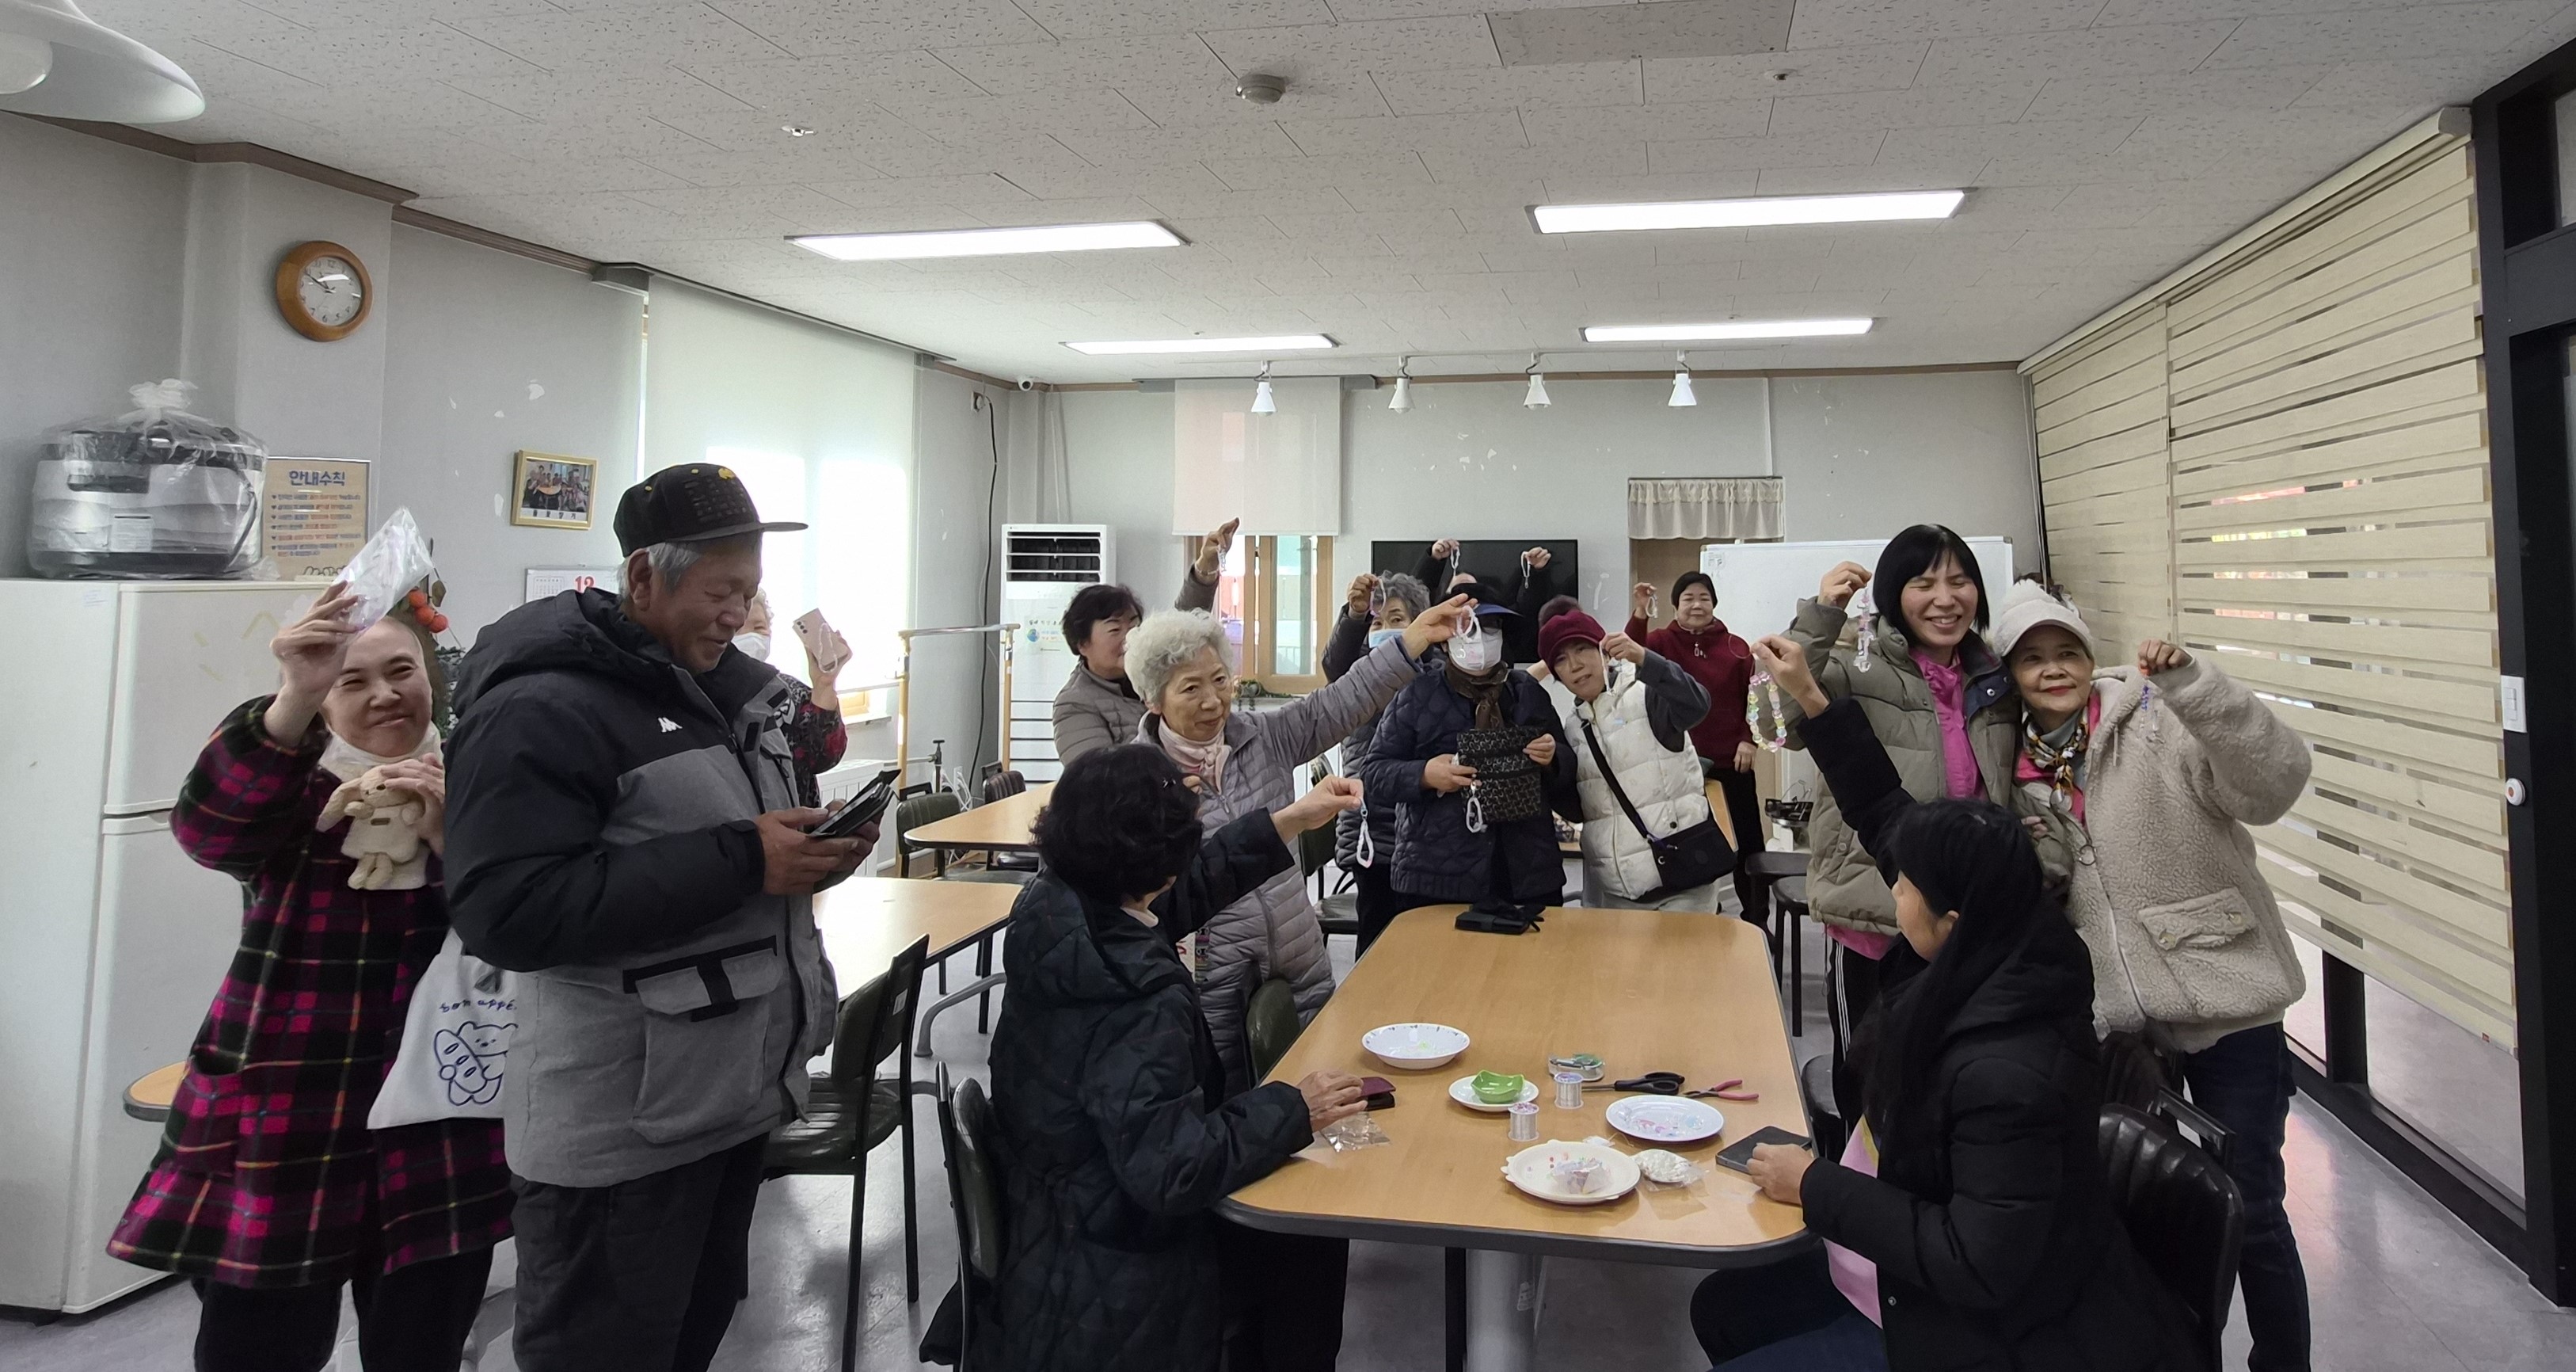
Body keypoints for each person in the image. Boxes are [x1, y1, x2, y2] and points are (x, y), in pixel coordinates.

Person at [441, 464, 874, 1372]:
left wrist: (806, 850)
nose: (738, 614)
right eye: (721, 592)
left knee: (689, 1339)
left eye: (749, 593)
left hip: (725, 1099)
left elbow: (726, 845)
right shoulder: (541, 708)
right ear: (643, 577)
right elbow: (507, 910)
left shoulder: (718, 692)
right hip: (619, 1133)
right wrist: (747, 859)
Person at [1729, 634, 2202, 1372]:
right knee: (1721, 1307)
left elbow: (1977, 1263)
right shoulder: (1992, 934)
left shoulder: (2008, 1069)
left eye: (1901, 886)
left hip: (1973, 1330)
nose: (1892, 890)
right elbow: (1883, 812)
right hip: (1893, 1265)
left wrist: (1817, 1185)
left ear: (1948, 920)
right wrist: (1813, 700)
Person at [109, 589, 511, 1372]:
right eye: (352, 681)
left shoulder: (478, 782)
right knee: (258, 1346)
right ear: (323, 699)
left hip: (438, 1117)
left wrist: (449, 844)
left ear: (432, 679)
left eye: (402, 672)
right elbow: (208, 829)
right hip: (289, 1111)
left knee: (420, 1347)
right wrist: (293, 694)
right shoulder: (296, 789)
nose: (385, 694)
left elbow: (517, 928)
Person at [1989, 579, 2315, 1372]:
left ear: (2088, 657)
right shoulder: (2010, 771)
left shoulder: (2156, 721)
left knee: (2253, 1209)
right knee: (2137, 1209)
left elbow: (2274, 782)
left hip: (2229, 1005)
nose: (2053, 669)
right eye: (2032, 659)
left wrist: (2197, 688)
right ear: (2010, 676)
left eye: (2065, 651)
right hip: (2118, 1025)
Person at [989, 745, 1368, 1372]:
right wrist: (1292, 1108)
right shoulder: (1137, 999)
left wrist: (1290, 820)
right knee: (1309, 1232)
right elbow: (1172, 1172)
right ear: (1159, 869)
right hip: (1118, 1257)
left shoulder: (1059, 911)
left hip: (1053, 1206)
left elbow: (1182, 891)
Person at [1124, 593, 1471, 1085]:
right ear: (1153, 699)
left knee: (1325, 1073)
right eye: (1191, 688)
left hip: (1299, 949)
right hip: (1212, 967)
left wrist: (1411, 641)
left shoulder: (1262, 735)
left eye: (1220, 680)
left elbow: (1341, 701)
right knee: (1229, 1090)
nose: (1212, 701)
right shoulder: (1140, 780)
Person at [1779, 527, 2020, 1112]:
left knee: (1949, 1087)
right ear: (1892, 594)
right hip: (1875, 915)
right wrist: (1821, 616)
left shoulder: (1993, 677)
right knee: (1870, 1086)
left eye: (1959, 582)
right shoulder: (1854, 662)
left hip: (1964, 924)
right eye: (1924, 583)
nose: (1945, 599)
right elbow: (1777, 720)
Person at [1362, 600, 1577, 920]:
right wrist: (1424, 774)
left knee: (1534, 953)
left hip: (1527, 872)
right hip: (1436, 875)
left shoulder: (1526, 691)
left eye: (1491, 628)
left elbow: (1568, 765)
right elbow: (1373, 773)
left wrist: (1552, 757)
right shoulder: (1417, 693)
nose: (1480, 638)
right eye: (1468, 628)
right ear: (1445, 641)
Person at [1539, 607, 1725, 911]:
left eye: (1582, 648)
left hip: (1683, 879)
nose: (1574, 665)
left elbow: (1697, 705)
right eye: (1560, 659)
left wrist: (1646, 660)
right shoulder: (1573, 727)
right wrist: (1551, 766)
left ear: (1604, 651)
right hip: (1619, 889)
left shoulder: (1646, 694)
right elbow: (1581, 809)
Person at [1628, 571, 1764, 912]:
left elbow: (1755, 699)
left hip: (1731, 761)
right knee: (1688, 842)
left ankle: (1757, 915)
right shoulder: (1660, 642)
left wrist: (1749, 739)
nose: (1697, 605)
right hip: (1676, 763)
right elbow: (1628, 658)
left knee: (1748, 841)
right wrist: (1641, 612)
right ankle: (1702, 913)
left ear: (1714, 604)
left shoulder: (1736, 647)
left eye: (1704, 598)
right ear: (1676, 606)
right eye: (1688, 598)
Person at [1051, 518, 1238, 763]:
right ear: (1082, 644)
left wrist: (1205, 567)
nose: (1130, 637)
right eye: (1115, 629)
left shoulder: (1153, 670)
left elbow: (1182, 628)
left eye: (1134, 624)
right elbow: (1094, 775)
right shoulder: (1075, 703)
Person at [1318, 570, 1431, 949]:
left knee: (1422, 945)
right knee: (1375, 945)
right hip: (1370, 831)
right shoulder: (1359, 677)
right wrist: (1354, 615)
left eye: (1396, 619)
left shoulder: (1433, 675)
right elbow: (1335, 663)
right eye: (1376, 623)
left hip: (1423, 834)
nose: (1384, 630)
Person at [739, 590, 848, 807]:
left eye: (759, 627)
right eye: (738, 628)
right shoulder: (700, 693)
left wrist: (824, 686)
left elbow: (823, 758)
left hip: (800, 821)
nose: (750, 636)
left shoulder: (790, 691)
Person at [1410, 537, 1566, 663]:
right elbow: (1415, 602)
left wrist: (1537, 574)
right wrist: (1434, 560)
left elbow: (1528, 610)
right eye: (1459, 592)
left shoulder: (1500, 622)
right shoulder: (1436, 639)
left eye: (1472, 590)